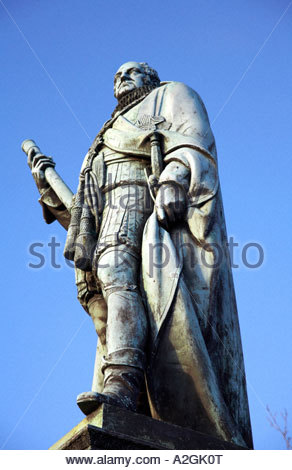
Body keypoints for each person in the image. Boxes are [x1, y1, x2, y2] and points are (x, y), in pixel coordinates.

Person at [28, 61, 253, 448]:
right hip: (106, 213)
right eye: (116, 75)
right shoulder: (104, 134)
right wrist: (47, 184)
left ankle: (124, 381)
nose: (121, 78)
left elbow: (191, 139)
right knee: (100, 296)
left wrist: (174, 179)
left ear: (150, 77)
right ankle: (129, 387)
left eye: (131, 72)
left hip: (141, 197)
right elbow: (84, 214)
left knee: (115, 271)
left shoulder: (169, 95)